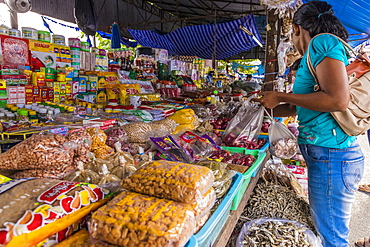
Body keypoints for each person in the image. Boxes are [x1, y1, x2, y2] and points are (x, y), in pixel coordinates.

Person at [254, 1, 364, 247]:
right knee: (327, 231)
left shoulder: (322, 43)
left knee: (331, 238)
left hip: (333, 155)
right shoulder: (312, 55)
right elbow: (300, 106)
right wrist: (265, 105)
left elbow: (338, 100)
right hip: (327, 155)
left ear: (295, 29)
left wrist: (280, 96)